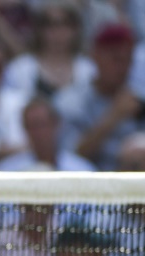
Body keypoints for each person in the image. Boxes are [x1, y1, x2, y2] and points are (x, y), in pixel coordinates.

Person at [55, 23, 142, 171]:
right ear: (95, 56)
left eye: (128, 60)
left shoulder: (138, 98)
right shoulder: (71, 101)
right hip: (88, 184)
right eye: (116, 59)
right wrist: (114, 117)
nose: (123, 67)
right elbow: (69, 159)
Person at [3, 1, 96, 100]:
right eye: (50, 25)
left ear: (76, 30)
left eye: (65, 24)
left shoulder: (89, 70)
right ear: (39, 30)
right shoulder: (19, 68)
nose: (58, 32)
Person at [0, 97, 98, 171]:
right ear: (25, 129)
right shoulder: (7, 172)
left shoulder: (82, 171)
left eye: (42, 125)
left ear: (56, 125)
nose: (38, 132)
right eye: (32, 126)